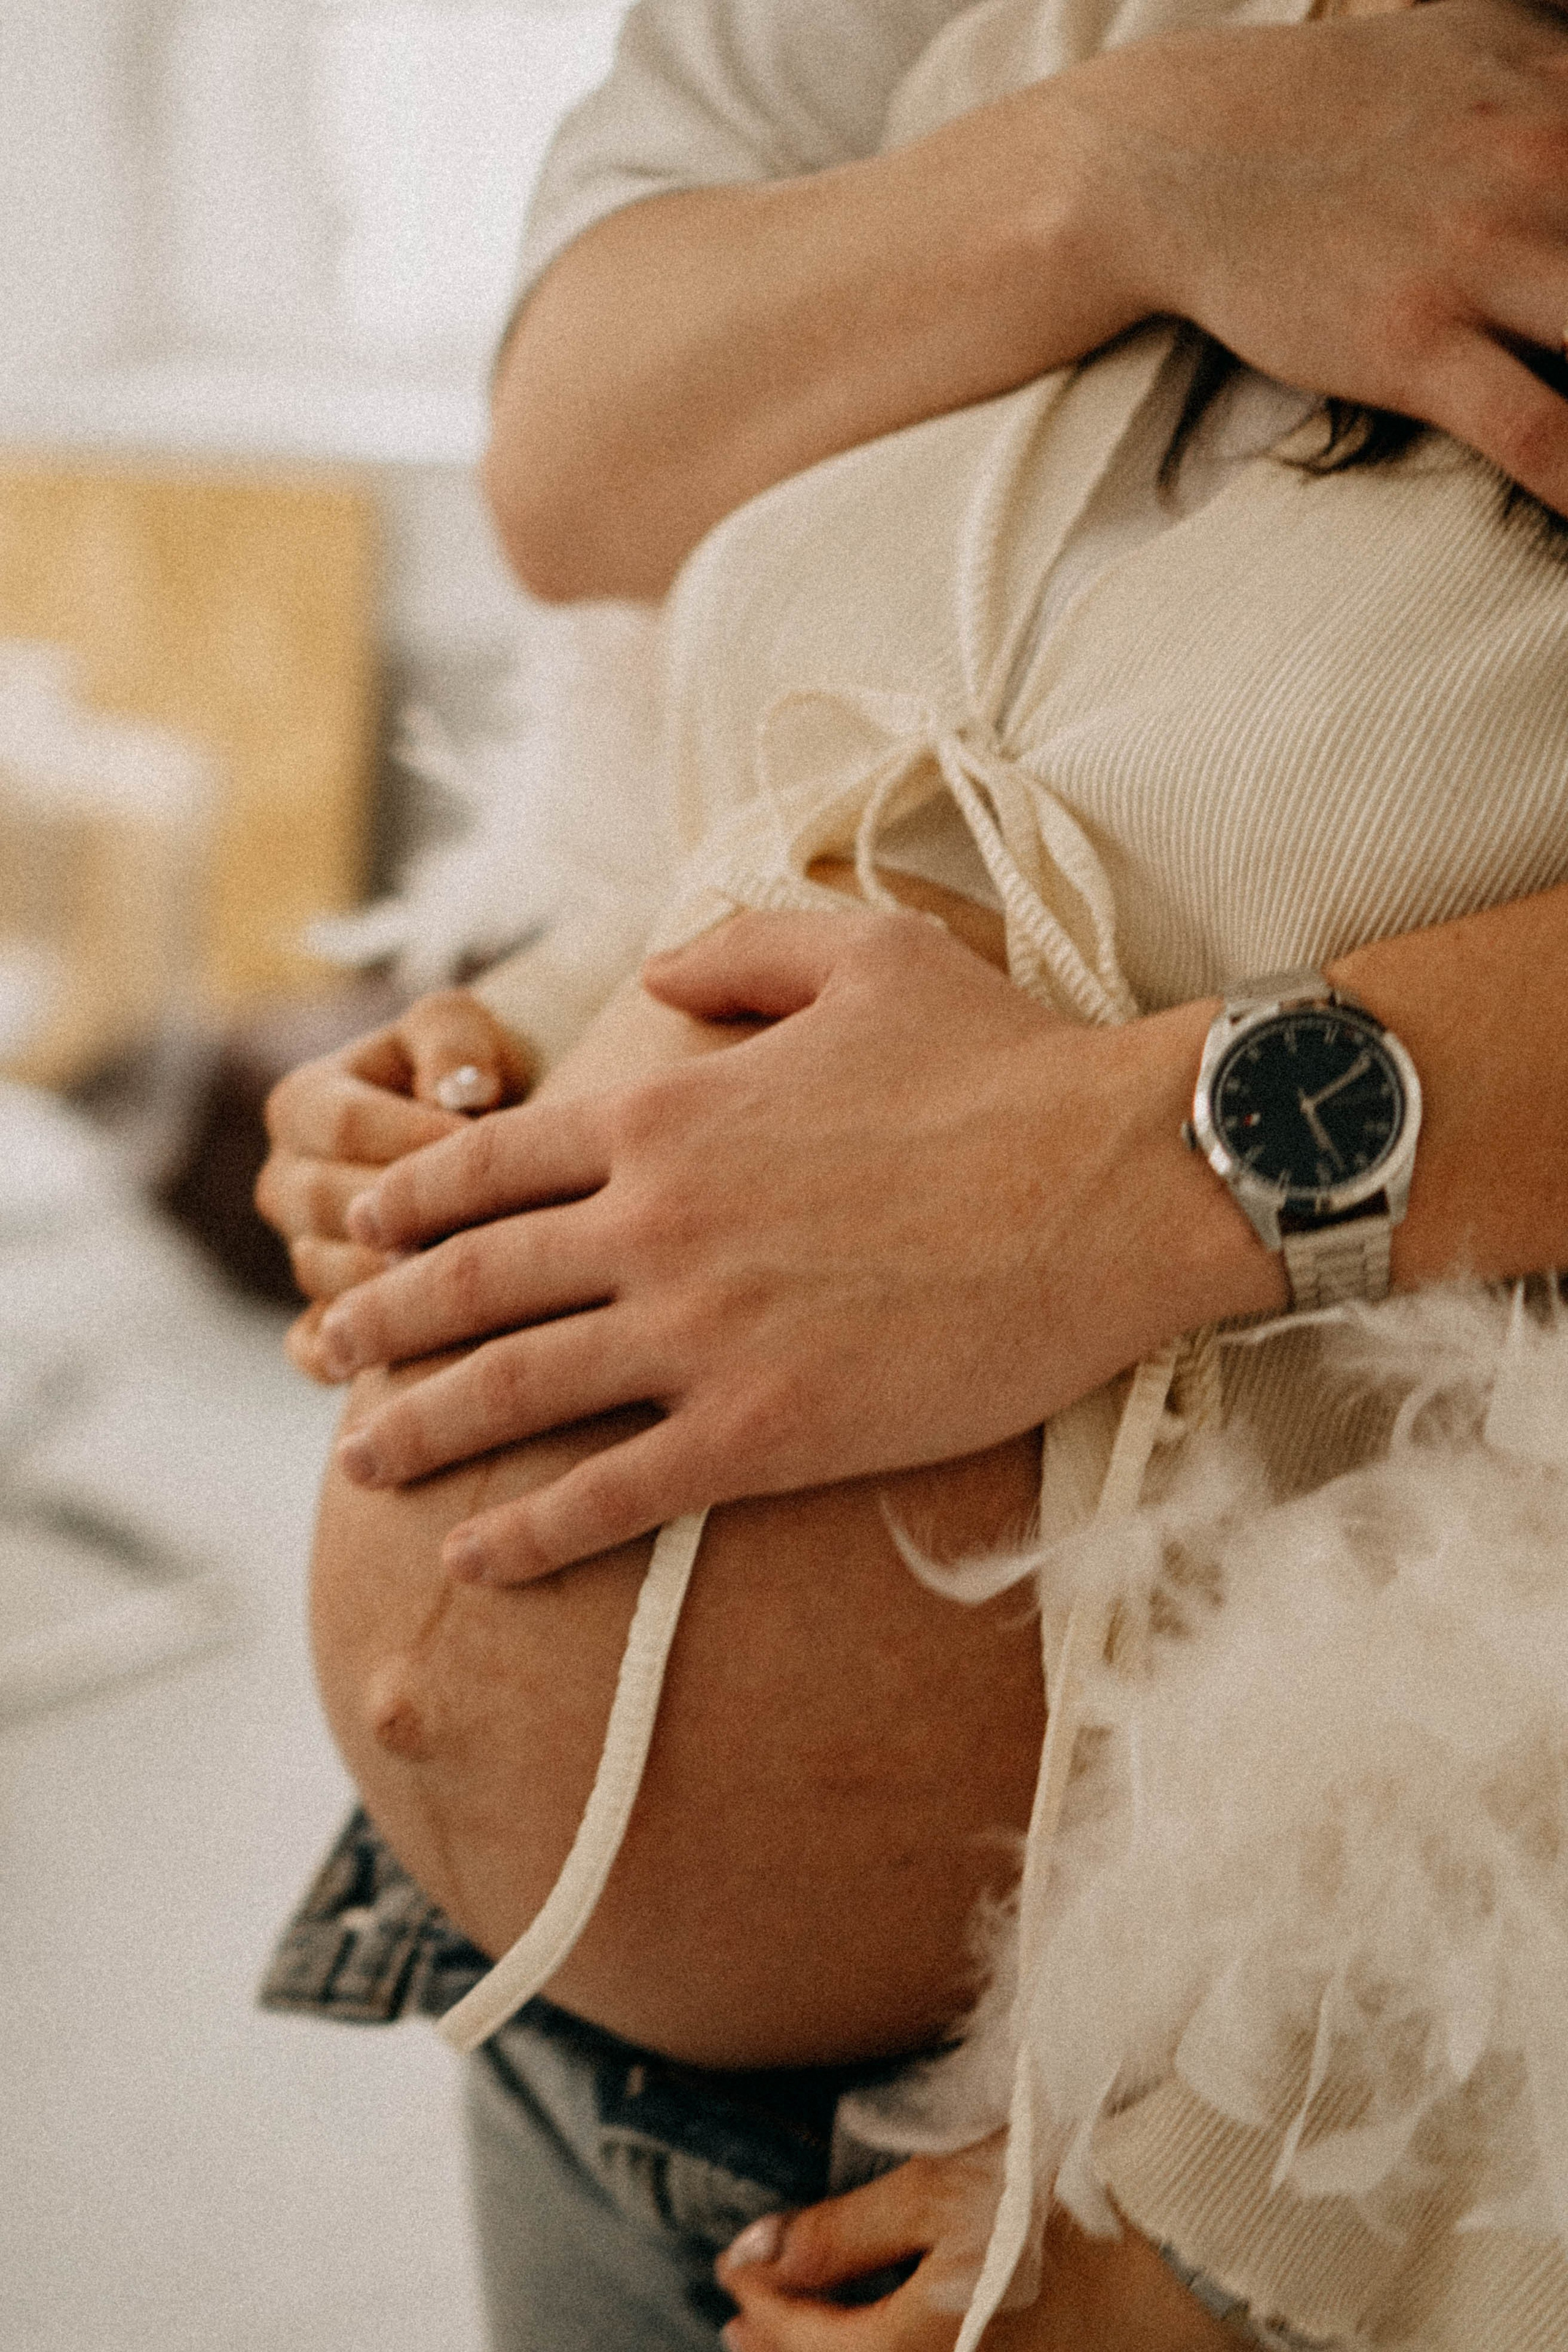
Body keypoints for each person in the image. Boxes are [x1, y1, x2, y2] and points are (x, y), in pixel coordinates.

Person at [256, 0, 1568, 2344]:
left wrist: (1239, 2218)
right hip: (520, 2022)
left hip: (1169, 2154)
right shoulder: (1041, 61)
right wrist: (524, 1055)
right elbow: (695, 638)